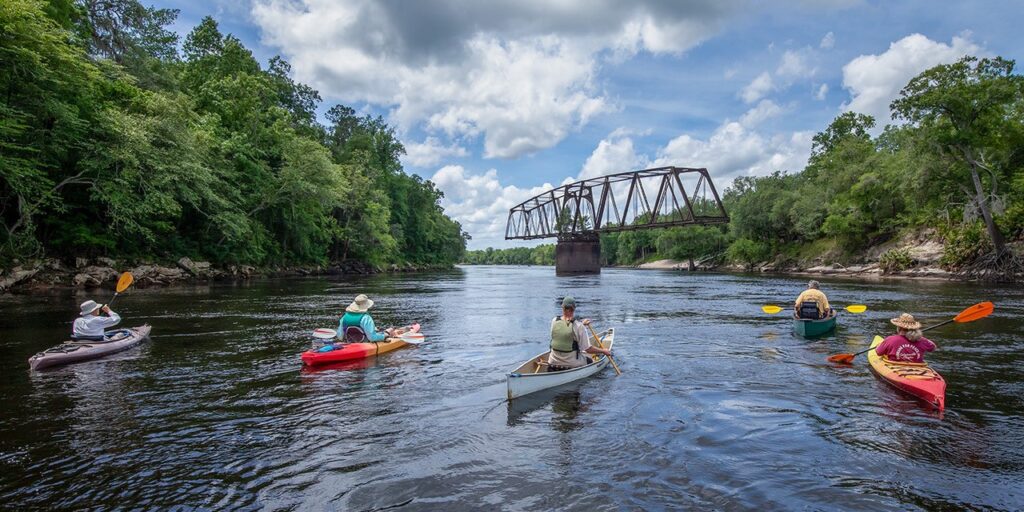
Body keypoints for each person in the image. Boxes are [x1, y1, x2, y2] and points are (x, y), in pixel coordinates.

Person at [547, 296, 612, 371]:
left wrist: (582, 324)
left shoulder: (554, 321)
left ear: (562, 307)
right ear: (574, 308)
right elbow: (588, 349)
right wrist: (604, 351)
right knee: (591, 360)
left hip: (552, 362)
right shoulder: (578, 326)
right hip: (571, 364)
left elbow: (565, 331)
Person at [338, 294, 403, 343]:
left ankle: (391, 331)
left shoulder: (344, 317)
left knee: (387, 330)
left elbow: (340, 336)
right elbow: (372, 338)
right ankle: (392, 332)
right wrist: (384, 336)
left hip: (349, 343)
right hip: (365, 343)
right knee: (389, 331)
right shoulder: (366, 318)